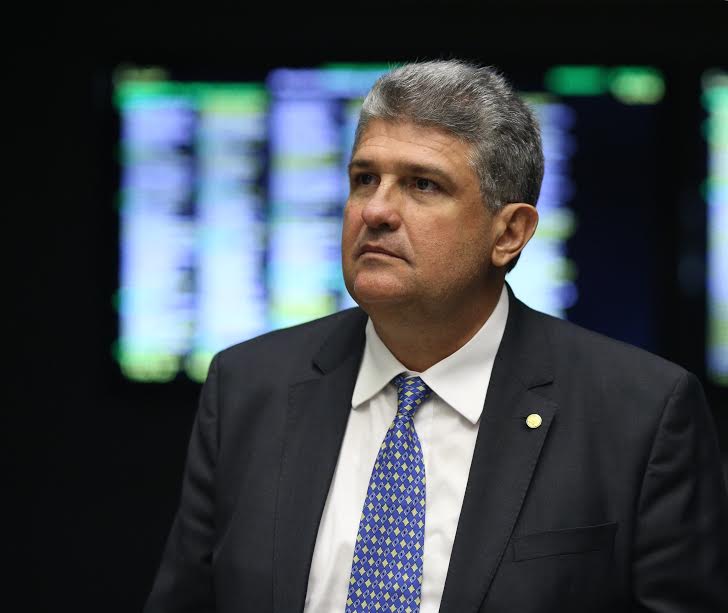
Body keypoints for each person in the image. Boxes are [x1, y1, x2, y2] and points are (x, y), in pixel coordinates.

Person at [144, 60, 728, 613]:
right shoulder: (248, 387)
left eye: (422, 185)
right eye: (364, 179)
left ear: (510, 233)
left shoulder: (640, 415)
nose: (375, 211)